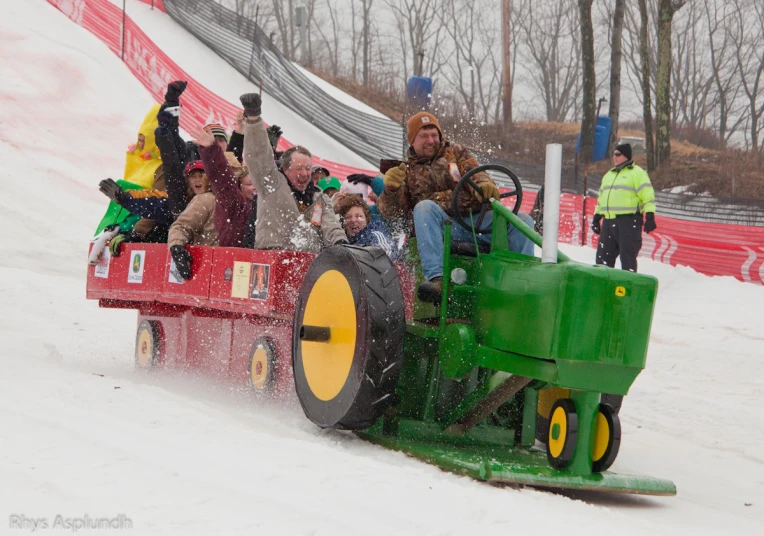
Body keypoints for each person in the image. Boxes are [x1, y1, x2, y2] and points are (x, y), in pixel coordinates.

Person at [377, 111, 535, 302]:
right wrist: (391, 190)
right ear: (412, 141)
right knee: (424, 207)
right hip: (444, 229)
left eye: (434, 135)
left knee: (523, 221)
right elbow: (392, 214)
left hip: (476, 223)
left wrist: (484, 184)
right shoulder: (406, 172)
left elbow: (476, 173)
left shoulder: (457, 154)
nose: (431, 140)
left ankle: (522, 281)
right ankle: (436, 279)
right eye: (424, 136)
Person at [240, 93, 347, 251]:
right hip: (273, 256)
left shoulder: (319, 198)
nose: (304, 173)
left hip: (306, 263)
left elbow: (331, 225)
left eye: (307, 168)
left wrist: (340, 243)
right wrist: (254, 119)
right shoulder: (271, 184)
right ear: (285, 169)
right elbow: (258, 156)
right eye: (298, 168)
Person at [591, 143, 656, 272]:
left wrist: (650, 216)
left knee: (628, 260)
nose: (614, 157)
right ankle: (604, 289)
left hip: (628, 222)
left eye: (617, 154)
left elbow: (648, 196)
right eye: (613, 154)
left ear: (626, 156)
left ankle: (627, 290)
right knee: (602, 259)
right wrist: (597, 217)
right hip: (609, 222)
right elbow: (601, 199)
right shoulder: (609, 174)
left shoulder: (637, 173)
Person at [168, 161, 219, 279]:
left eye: (201, 175)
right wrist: (177, 247)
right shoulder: (204, 200)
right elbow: (181, 226)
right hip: (205, 262)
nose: (197, 180)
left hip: (211, 261)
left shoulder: (209, 199)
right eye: (193, 177)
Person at [335, 195, 398, 261]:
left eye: (359, 216)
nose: (353, 220)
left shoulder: (375, 236)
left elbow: (388, 257)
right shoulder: (342, 240)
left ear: (367, 219)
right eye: (348, 217)